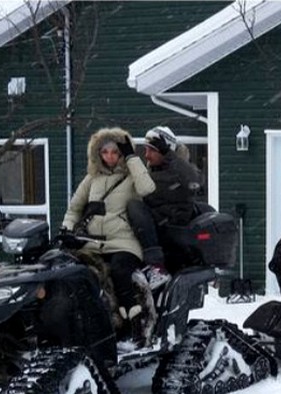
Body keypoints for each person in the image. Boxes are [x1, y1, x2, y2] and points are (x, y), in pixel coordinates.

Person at [61, 127, 156, 345]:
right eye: (105, 152)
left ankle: (136, 325)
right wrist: (66, 229)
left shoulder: (132, 177)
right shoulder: (91, 179)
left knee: (120, 271)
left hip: (123, 243)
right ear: (98, 154)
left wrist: (132, 157)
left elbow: (147, 188)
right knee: (76, 274)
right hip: (92, 243)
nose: (110, 157)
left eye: (116, 152)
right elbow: (74, 209)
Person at [127, 126, 203, 287]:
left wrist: (170, 155)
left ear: (165, 149)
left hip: (170, 228)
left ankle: (157, 268)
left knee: (135, 207)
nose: (146, 155)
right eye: (145, 150)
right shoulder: (152, 172)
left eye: (152, 150)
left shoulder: (179, 171)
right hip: (156, 227)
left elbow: (194, 180)